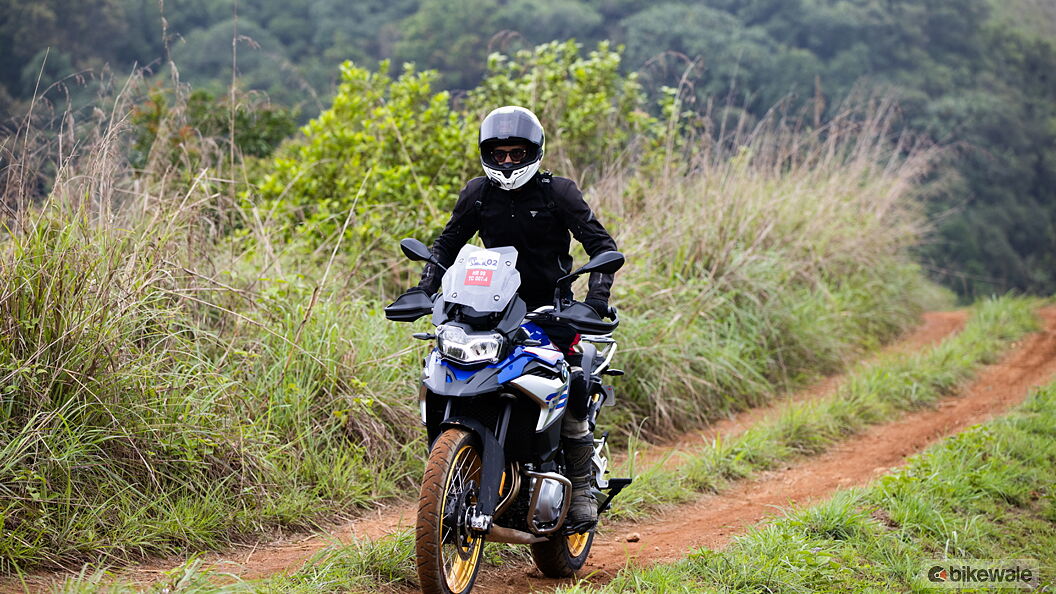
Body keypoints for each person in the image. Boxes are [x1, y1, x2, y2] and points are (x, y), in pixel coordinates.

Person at [398, 105, 618, 530]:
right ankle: (461, 472)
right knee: (454, 368)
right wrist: (424, 290)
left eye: (517, 153)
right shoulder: (477, 193)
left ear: (533, 151)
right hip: (490, 307)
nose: (507, 162)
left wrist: (594, 300)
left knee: (572, 382)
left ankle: (583, 489)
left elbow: (601, 246)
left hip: (550, 310)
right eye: (499, 154)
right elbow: (445, 246)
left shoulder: (559, 193)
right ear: (486, 153)